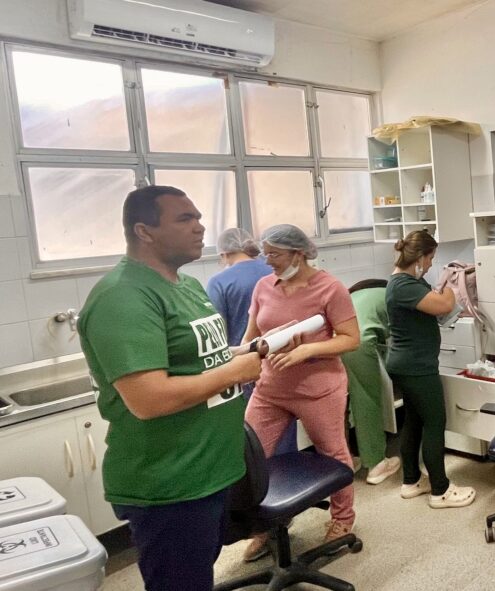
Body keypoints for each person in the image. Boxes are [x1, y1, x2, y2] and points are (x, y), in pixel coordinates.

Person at [77, 185, 262, 591]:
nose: (200, 227)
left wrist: (247, 353)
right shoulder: (124, 296)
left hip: (211, 471)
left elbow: (202, 357)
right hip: (170, 484)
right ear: (144, 231)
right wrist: (235, 372)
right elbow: (149, 398)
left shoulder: (187, 286)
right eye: (184, 219)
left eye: (198, 217)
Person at [241, 224, 361, 561]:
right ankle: (265, 525)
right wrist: (243, 358)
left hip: (318, 390)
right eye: (265, 253)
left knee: (333, 453)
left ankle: (342, 519)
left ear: (298, 253)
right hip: (270, 389)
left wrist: (307, 350)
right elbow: (250, 337)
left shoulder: (330, 288)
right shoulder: (263, 287)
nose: (267, 261)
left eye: (274, 254)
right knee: (249, 457)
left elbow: (351, 338)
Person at [387, 230, 476, 508]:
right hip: (416, 367)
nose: (430, 264)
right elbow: (445, 304)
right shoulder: (403, 286)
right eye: (430, 259)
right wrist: (449, 283)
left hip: (408, 364)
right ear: (420, 258)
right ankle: (441, 490)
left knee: (414, 421)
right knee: (435, 423)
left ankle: (411, 481)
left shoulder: (409, 282)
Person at [207, 227, 297, 455]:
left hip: (246, 367)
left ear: (223, 254)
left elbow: (216, 333)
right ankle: (290, 474)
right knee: (284, 432)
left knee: (255, 439)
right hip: (282, 361)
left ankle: (262, 478)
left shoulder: (219, 282)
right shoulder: (274, 270)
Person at [341, 279, 402, 484]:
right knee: (367, 400)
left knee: (341, 406)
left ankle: (346, 460)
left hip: (332, 344)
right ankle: (376, 464)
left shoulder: (352, 296)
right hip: (358, 344)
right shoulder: (392, 294)